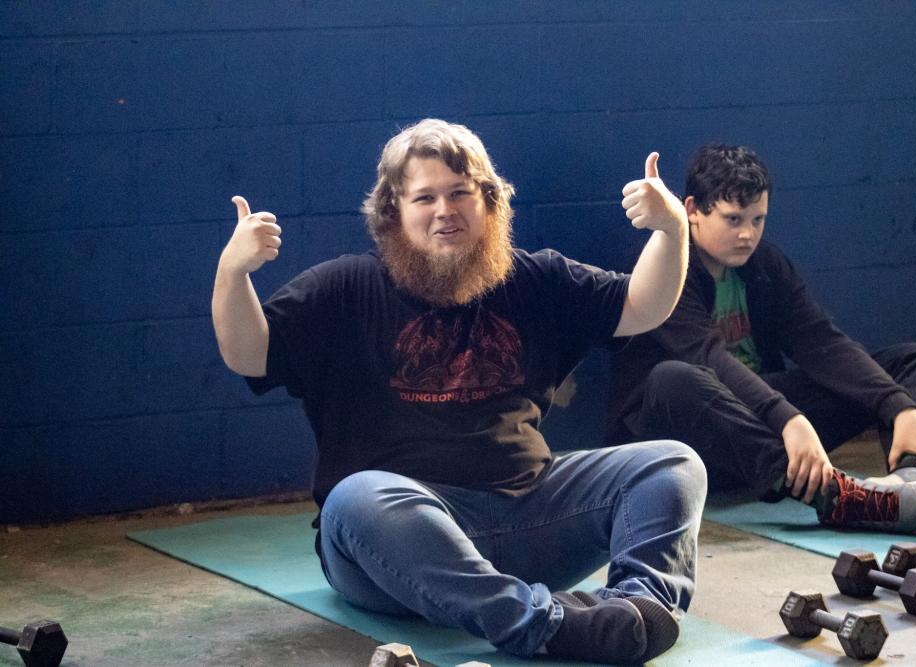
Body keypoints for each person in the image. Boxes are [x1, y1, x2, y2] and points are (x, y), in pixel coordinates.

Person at [212, 118, 706, 664]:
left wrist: (672, 231)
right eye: (424, 197)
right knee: (356, 498)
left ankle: (635, 615)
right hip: (393, 550)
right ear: (392, 213)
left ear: (489, 202)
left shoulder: (534, 279)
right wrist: (233, 274)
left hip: (526, 517)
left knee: (672, 464)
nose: (444, 210)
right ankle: (543, 626)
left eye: (459, 193)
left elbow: (641, 307)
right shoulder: (344, 288)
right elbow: (248, 354)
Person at [607, 144, 916, 535]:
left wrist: (901, 407)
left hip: (759, 418)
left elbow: (822, 343)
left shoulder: (765, 265)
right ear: (693, 210)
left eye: (758, 219)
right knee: (674, 378)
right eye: (733, 220)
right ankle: (834, 496)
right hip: (692, 437)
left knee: (912, 361)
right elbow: (708, 358)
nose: (748, 234)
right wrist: (790, 419)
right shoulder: (667, 266)